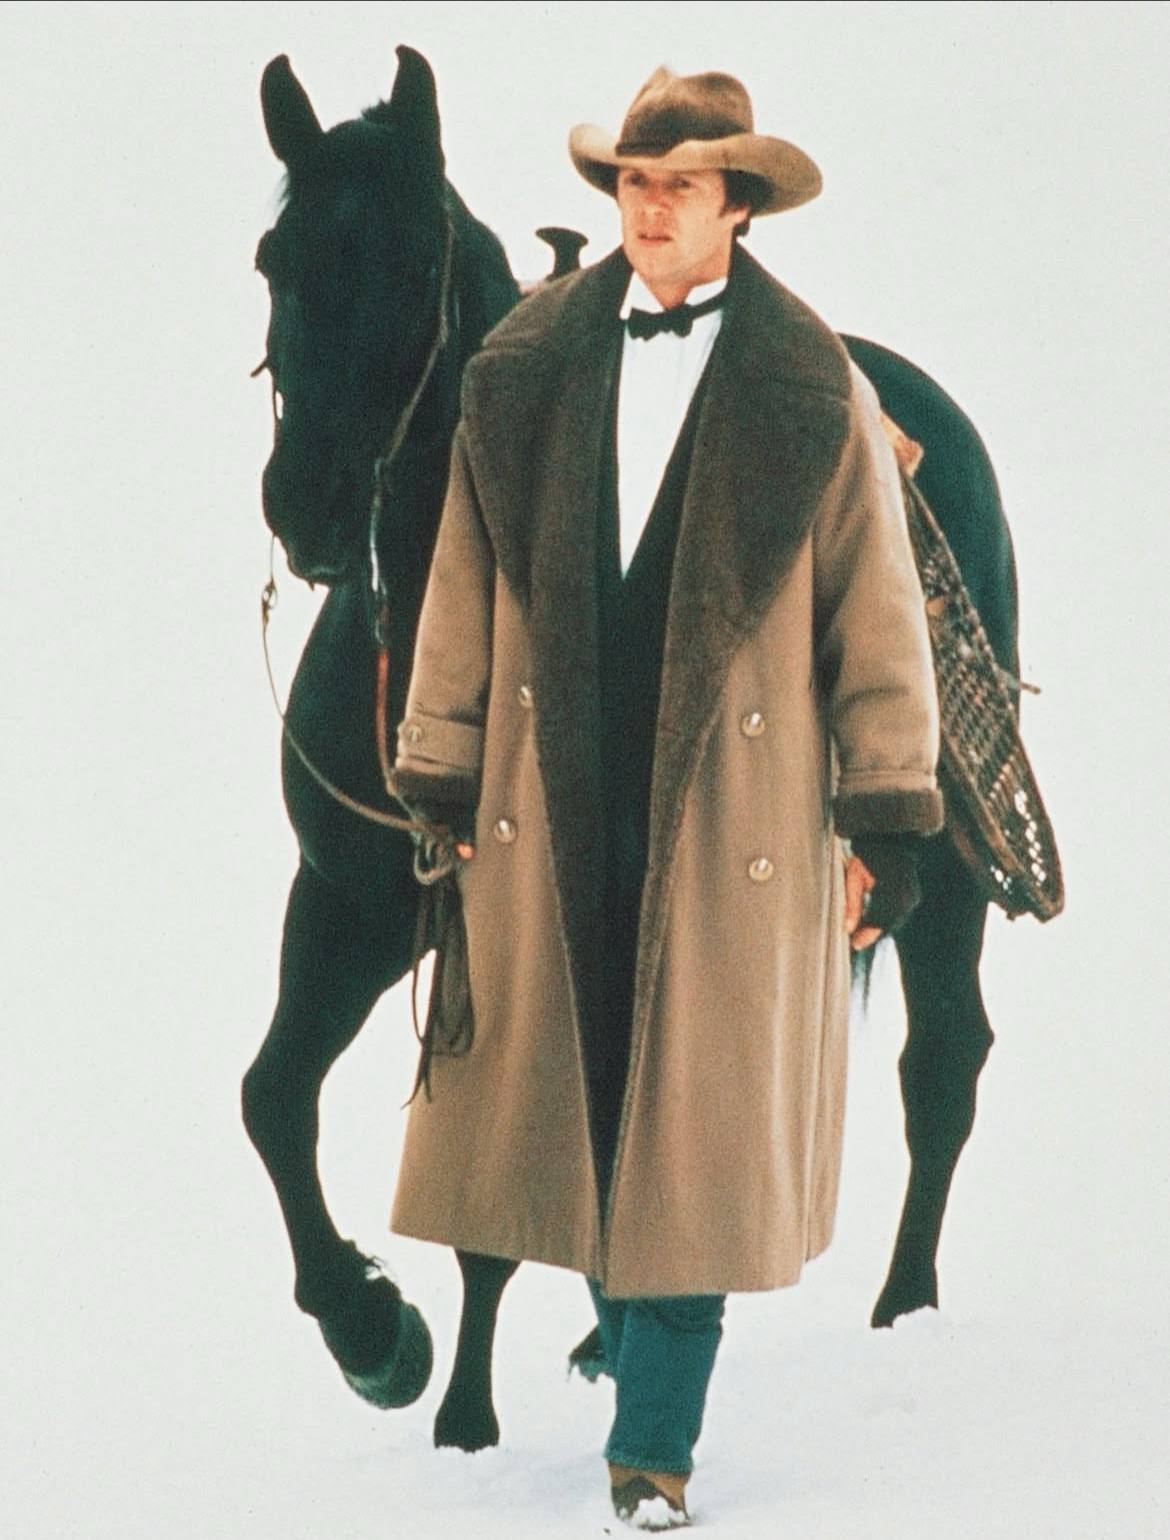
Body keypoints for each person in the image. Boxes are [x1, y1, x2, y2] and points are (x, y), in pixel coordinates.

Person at [392, 65, 942, 1530]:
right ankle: (630, 1353)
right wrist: (441, 762)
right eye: (634, 181)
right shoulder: (522, 364)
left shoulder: (813, 386)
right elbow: (460, 582)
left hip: (732, 817)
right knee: (573, 1102)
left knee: (691, 1134)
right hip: (550, 797)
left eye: (680, 184)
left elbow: (875, 618)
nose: (648, 206)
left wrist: (886, 810)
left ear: (736, 206)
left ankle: (650, 1455)